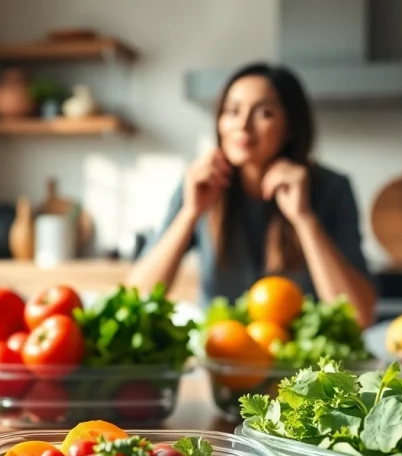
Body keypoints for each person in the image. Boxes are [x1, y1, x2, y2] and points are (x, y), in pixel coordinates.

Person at [125, 62, 377, 327]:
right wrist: (190, 213)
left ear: (291, 127)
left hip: (301, 364)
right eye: (232, 111)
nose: (243, 126)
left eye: (264, 113)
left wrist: (304, 219)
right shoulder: (199, 184)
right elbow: (137, 297)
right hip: (222, 353)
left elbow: (359, 316)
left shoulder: (332, 189)